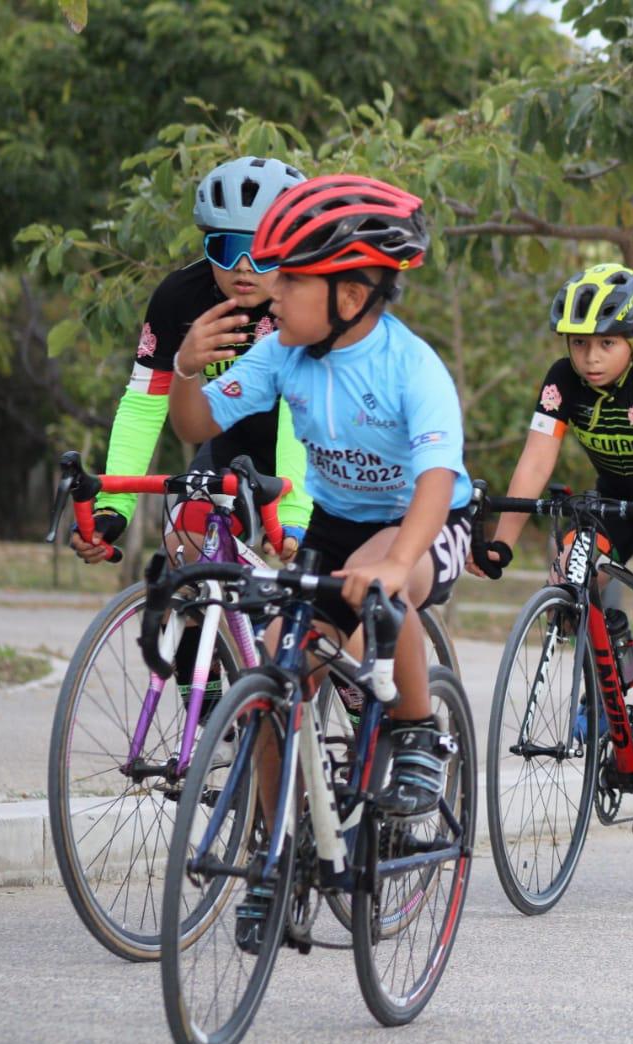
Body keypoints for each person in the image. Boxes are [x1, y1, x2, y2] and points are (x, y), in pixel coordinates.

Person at [167, 173, 474, 821]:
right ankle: (280, 853)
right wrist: (186, 368)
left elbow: (436, 479)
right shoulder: (281, 353)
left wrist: (395, 563)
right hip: (337, 526)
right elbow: (196, 426)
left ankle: (419, 733)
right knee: (279, 676)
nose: (271, 290)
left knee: (386, 588)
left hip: (424, 519)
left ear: (352, 294)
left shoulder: (411, 367)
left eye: (292, 278)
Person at [467, 263, 633, 828]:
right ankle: (616, 680)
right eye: (579, 344)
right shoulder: (562, 380)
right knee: (569, 573)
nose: (590, 358)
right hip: (613, 497)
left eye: (606, 343)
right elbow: (535, 460)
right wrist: (503, 545)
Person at [70, 156, 313, 713]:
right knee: (185, 554)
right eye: (227, 250)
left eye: (265, 251)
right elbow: (143, 403)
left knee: (321, 599)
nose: (245, 267)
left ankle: (355, 719)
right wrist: (114, 507)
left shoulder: (306, 299)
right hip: (232, 440)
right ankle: (205, 722)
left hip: (310, 447)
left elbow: (305, 418)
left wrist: (294, 513)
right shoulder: (180, 298)